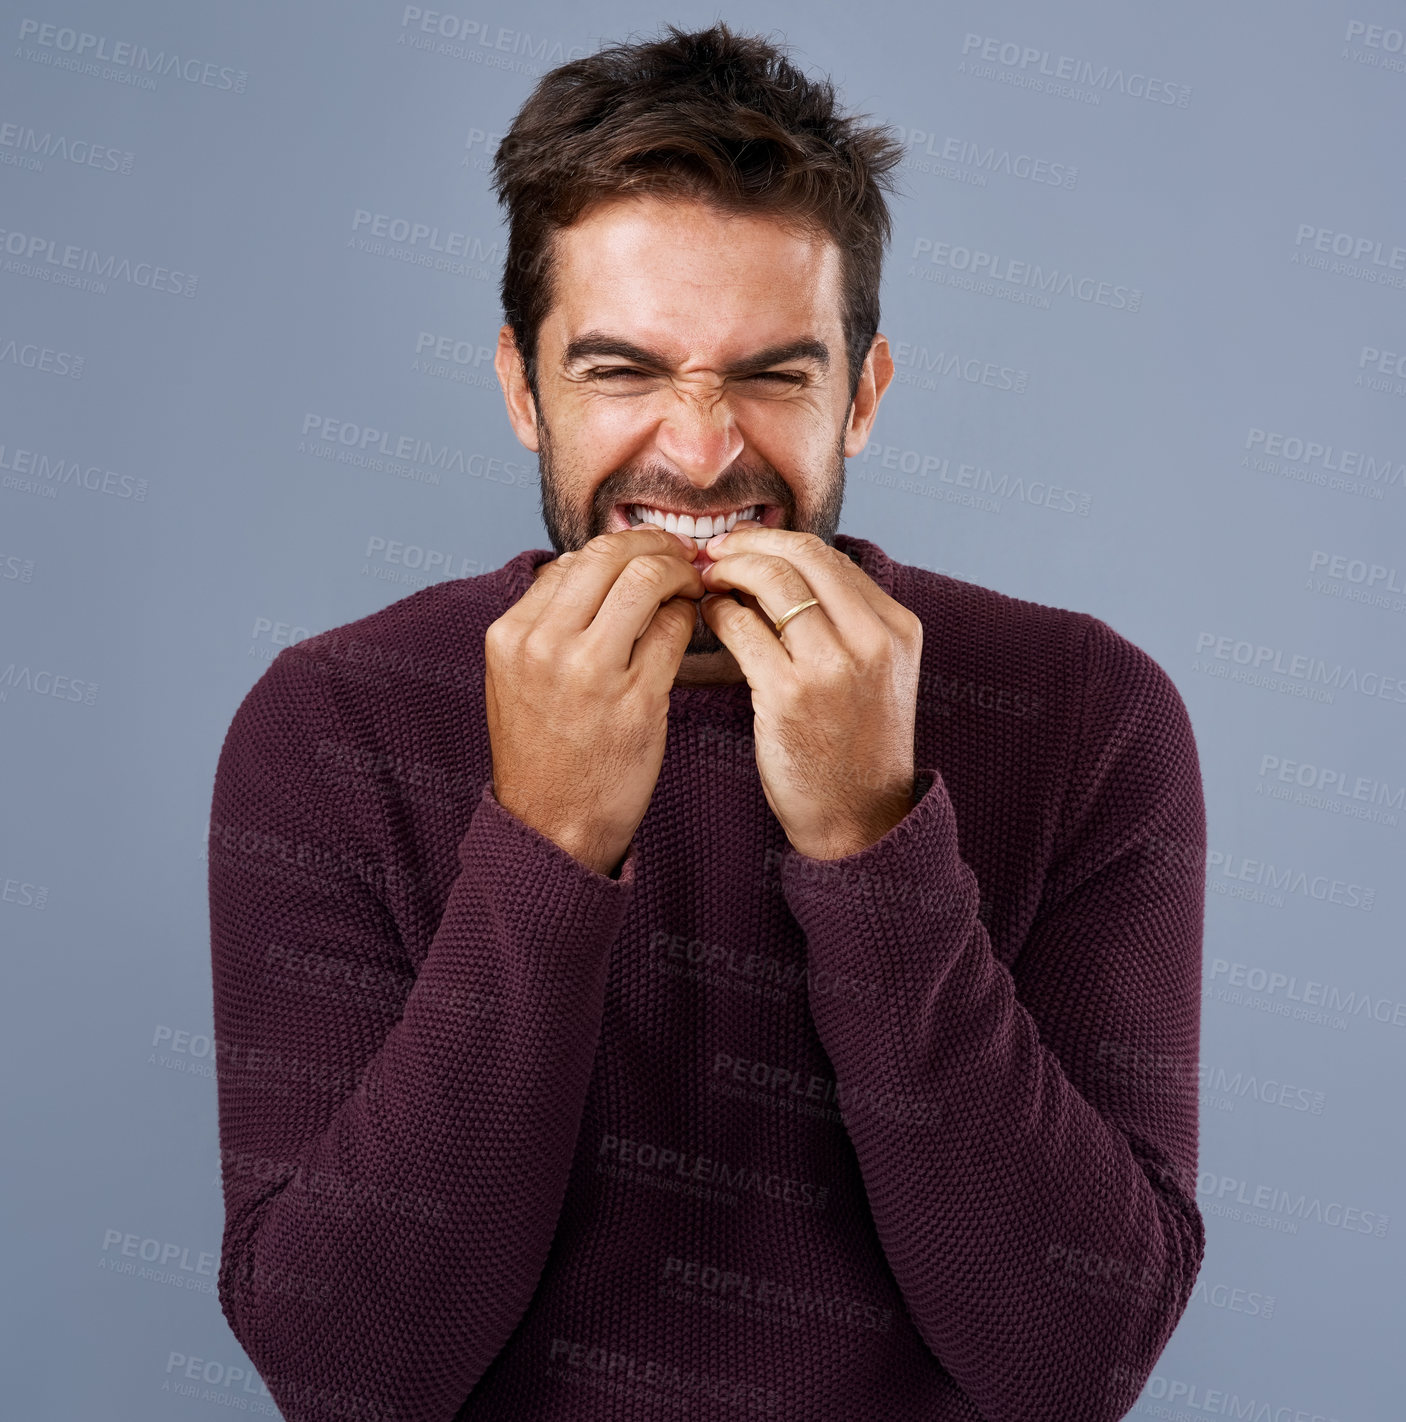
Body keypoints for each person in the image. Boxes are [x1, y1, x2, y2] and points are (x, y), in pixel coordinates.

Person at [208, 22, 1206, 1421]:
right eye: (621, 370)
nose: (698, 448)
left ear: (859, 394)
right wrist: (545, 844)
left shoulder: (1086, 713)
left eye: (771, 374)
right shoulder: (330, 721)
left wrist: (874, 851)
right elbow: (350, 1374)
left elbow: (1070, 1366)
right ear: (520, 388)